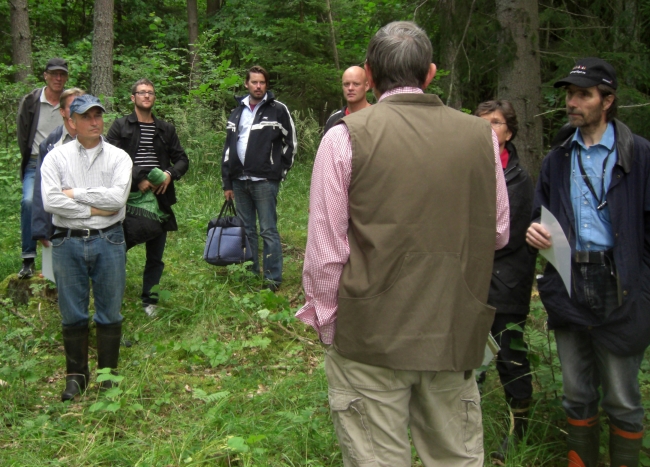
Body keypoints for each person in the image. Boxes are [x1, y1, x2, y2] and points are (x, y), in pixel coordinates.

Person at [296, 21, 510, 467]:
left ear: (369, 76)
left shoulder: (344, 137)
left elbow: (325, 252)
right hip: (453, 329)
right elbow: (498, 232)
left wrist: (330, 327)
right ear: (430, 74)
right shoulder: (481, 137)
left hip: (369, 338)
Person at [526, 58, 650, 467]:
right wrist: (534, 232)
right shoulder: (558, 157)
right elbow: (540, 215)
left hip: (623, 285)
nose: (572, 102)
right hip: (568, 281)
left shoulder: (640, 156)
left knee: (622, 396)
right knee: (577, 393)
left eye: (583, 94)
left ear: (607, 100)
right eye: (569, 94)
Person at [40, 95, 132, 402]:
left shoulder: (119, 157)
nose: (95, 122)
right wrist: (94, 209)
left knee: (110, 312)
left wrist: (75, 194)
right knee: (72, 314)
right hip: (66, 241)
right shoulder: (56, 157)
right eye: (87, 116)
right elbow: (51, 202)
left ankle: (107, 376)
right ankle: (76, 376)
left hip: (109, 240)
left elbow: (117, 201)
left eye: (98, 115)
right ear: (72, 122)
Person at [475, 100, 536, 461]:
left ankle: (518, 432)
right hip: (472, 282)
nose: (487, 129)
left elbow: (507, 236)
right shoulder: (467, 170)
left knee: (510, 359)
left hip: (506, 284)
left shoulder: (517, 177)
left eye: (495, 123)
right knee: (471, 360)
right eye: (481, 123)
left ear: (508, 132)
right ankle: (469, 433)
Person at [107, 79, 190, 317]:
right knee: (118, 248)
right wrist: (137, 179)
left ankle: (150, 299)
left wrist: (169, 174)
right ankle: (113, 295)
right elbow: (109, 158)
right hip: (127, 197)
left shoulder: (166, 129)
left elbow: (182, 159)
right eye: (141, 92)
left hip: (159, 199)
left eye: (150, 93)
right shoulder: (120, 126)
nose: (146, 96)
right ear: (133, 98)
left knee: (156, 254)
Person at [221, 66, 297, 291]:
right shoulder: (237, 111)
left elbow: (291, 143)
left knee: (268, 230)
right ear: (246, 84)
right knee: (247, 230)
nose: (258, 86)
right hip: (239, 181)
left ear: (266, 85)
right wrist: (227, 182)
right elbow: (228, 149)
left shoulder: (277, 110)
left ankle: (272, 279)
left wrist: (279, 172)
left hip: (265, 181)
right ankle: (251, 273)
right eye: (254, 82)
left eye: (262, 82)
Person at [16, 57, 69, 278]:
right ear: (45, 75)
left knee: (65, 203)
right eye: (54, 74)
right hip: (36, 160)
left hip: (65, 160)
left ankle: (68, 257)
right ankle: (28, 258)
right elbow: (22, 133)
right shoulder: (31, 101)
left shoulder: (70, 102)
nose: (58, 78)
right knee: (29, 201)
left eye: (62, 74)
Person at [32, 88, 85, 246]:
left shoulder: (102, 143)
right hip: (59, 223)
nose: (78, 110)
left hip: (95, 223)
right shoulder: (50, 145)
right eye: (72, 106)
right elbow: (40, 188)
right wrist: (42, 229)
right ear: (62, 112)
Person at [323, 65, 372, 134]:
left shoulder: (376, 117)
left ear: (366, 86)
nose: (350, 88)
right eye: (346, 84)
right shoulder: (334, 120)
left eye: (356, 84)